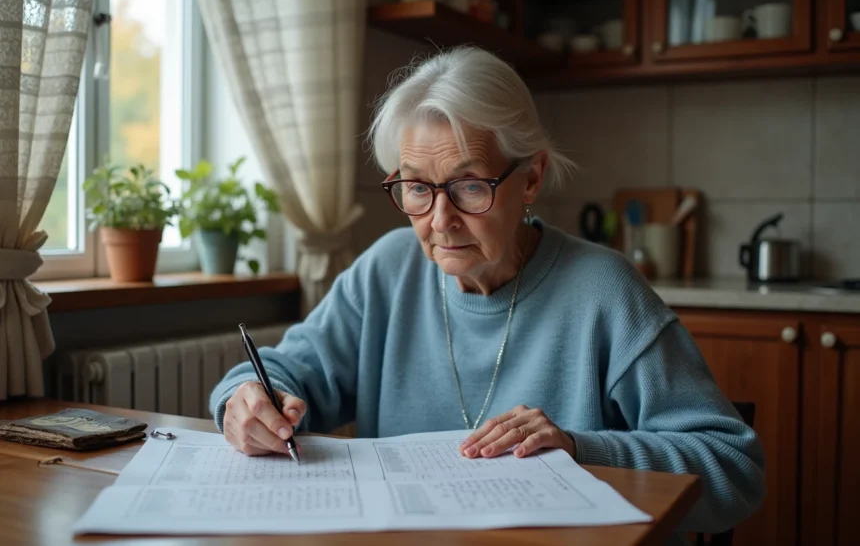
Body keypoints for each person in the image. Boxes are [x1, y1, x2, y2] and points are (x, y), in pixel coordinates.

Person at [210, 46, 765, 542]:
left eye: (470, 185)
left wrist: (579, 449)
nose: (440, 220)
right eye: (417, 188)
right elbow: (280, 371)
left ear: (530, 178)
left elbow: (734, 468)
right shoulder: (386, 272)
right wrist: (247, 402)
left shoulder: (604, 292)